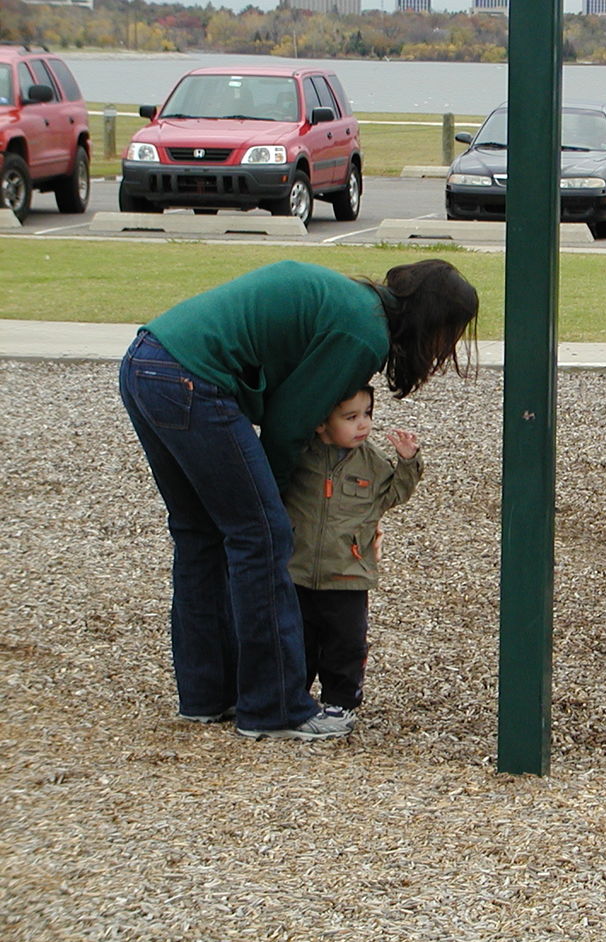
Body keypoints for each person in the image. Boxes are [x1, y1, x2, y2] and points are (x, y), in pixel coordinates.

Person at [118, 258, 478, 741]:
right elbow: (289, 425)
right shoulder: (363, 333)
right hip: (193, 381)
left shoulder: (351, 301)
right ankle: (275, 708)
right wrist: (278, 503)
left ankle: (207, 696)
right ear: (433, 321)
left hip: (147, 363)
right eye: (448, 335)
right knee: (262, 538)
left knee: (200, 533)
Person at [283, 385, 422, 723]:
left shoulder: (372, 462)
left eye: (368, 415)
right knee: (298, 639)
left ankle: (340, 702)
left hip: (348, 572)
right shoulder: (302, 456)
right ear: (320, 423)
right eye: (351, 417)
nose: (364, 425)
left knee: (345, 643)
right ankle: (293, 699)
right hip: (298, 570)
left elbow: (393, 494)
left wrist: (408, 462)